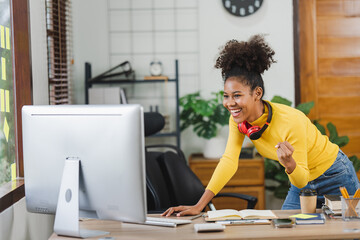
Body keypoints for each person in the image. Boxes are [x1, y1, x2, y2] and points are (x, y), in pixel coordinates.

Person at [162, 34, 360, 217]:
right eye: (226, 96)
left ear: (257, 93)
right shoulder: (238, 120)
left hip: (335, 175)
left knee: (349, 231)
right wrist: (199, 205)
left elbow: (301, 177)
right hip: (301, 179)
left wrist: (290, 163)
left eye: (237, 95)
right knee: (286, 234)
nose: (230, 103)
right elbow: (229, 161)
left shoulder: (290, 121)